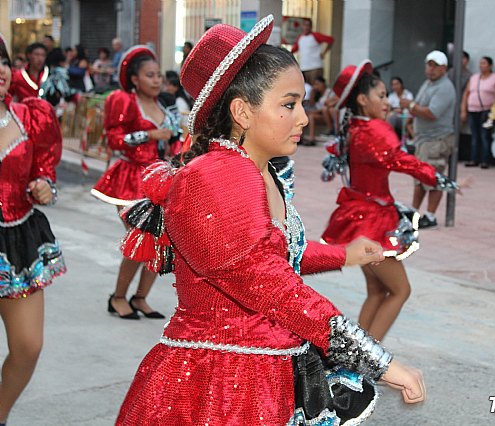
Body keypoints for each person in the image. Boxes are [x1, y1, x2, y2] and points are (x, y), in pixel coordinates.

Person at [115, 16, 425, 425]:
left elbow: (272, 252)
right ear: (242, 111)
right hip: (221, 383)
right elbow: (266, 281)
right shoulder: (219, 175)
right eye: (289, 104)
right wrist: (379, 361)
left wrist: (344, 255)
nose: (303, 118)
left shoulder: (260, 170)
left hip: (264, 368)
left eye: (301, 103)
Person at [321, 60, 459, 341]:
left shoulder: (355, 128)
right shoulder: (376, 130)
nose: (387, 102)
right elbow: (400, 160)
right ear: (362, 100)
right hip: (372, 221)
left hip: (359, 215)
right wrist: (440, 179)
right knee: (400, 290)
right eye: (381, 96)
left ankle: (355, 361)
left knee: (377, 290)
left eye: (387, 96)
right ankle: (366, 361)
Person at [0, 34, 66, 425]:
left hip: (20, 239)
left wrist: (44, 186)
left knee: (28, 345)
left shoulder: (31, 116)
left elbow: (45, 167)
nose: (0, 70)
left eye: (3, 61)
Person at [91, 46, 181, 320]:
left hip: (161, 181)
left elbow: (174, 140)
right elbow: (114, 139)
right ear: (134, 79)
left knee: (161, 241)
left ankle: (140, 298)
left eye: (158, 75)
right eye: (149, 75)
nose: (156, 80)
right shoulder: (123, 100)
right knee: (139, 238)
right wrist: (149, 134)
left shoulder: (164, 105)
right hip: (129, 180)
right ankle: (118, 297)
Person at [399, 50, 456, 229]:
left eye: (435, 65)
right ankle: (414, 212)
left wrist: (411, 106)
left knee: (433, 178)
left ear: (444, 68)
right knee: (420, 178)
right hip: (424, 139)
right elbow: (419, 107)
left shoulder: (445, 87)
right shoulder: (428, 83)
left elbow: (432, 113)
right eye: (429, 65)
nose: (431, 69)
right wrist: (411, 118)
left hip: (436, 140)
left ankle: (430, 216)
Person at [461, 56, 495, 169]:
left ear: (490, 65)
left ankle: (485, 160)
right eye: (480, 63)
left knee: (484, 135)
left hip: (487, 110)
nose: (481, 65)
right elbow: (466, 94)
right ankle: (473, 159)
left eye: (484, 63)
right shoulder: (474, 77)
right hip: (472, 109)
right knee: (474, 135)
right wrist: (463, 110)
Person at [291, 18, 334, 84]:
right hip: (303, 68)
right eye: (305, 25)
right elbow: (293, 50)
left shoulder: (315, 36)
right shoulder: (300, 38)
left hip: (315, 68)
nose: (306, 27)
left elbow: (330, 40)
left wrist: (324, 53)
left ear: (311, 27)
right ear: (302, 26)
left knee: (315, 89)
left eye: (308, 25)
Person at [303, 76, 333, 145]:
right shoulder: (317, 94)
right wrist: (313, 92)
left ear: (323, 84)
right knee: (306, 115)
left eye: (317, 84)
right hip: (318, 113)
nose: (316, 86)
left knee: (311, 116)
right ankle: (303, 137)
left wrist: (313, 112)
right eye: (315, 84)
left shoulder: (328, 92)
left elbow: (325, 108)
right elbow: (311, 104)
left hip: (325, 115)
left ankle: (311, 138)